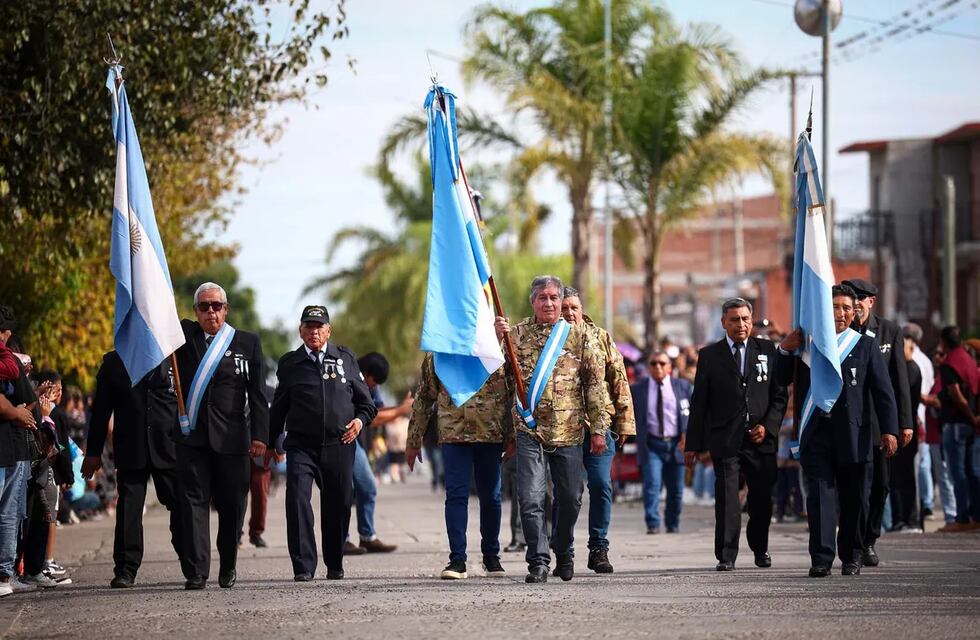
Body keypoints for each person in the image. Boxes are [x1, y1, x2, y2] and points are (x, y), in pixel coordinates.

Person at [777, 284, 899, 576]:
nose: (841, 313)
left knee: (855, 498)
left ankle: (852, 555)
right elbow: (781, 379)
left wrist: (890, 430)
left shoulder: (864, 345)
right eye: (834, 307)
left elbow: (883, 392)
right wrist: (783, 349)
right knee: (820, 497)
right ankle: (821, 559)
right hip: (817, 433)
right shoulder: (807, 346)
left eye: (847, 308)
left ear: (854, 312)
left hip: (854, 435)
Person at [494, 275, 609, 583]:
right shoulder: (516, 335)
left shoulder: (579, 336)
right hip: (529, 431)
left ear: (561, 301)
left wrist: (599, 429)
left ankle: (564, 550)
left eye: (554, 298)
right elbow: (499, 381)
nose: (548, 303)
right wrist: (497, 341)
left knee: (571, 498)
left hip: (569, 431)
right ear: (532, 302)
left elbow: (594, 386)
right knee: (531, 498)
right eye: (542, 298)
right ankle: (538, 561)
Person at [268, 305, 377, 581]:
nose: (314, 331)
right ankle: (303, 566)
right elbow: (278, 408)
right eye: (309, 326)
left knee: (338, 504)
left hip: (339, 444)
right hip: (301, 446)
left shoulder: (346, 359)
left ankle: (334, 561)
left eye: (319, 326)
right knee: (297, 500)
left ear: (328, 331)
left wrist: (360, 422)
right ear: (300, 331)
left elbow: (367, 405)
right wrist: (271, 443)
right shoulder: (290, 364)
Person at [172, 282, 269, 590]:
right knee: (193, 504)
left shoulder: (247, 342)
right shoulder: (182, 338)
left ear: (226, 309)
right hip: (192, 438)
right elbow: (160, 316)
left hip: (233, 439)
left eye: (216, 306)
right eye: (204, 307)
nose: (210, 312)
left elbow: (258, 394)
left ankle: (228, 564)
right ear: (195, 311)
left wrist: (260, 436)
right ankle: (197, 571)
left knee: (233, 506)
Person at [685, 297, 788, 571]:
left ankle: (760, 548)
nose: (740, 324)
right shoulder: (710, 356)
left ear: (751, 321)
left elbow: (779, 396)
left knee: (762, 499)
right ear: (723, 323)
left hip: (760, 440)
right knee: (728, 499)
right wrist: (693, 445)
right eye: (734, 320)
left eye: (745, 319)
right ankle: (726, 554)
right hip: (726, 440)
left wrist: (768, 426)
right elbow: (700, 403)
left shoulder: (768, 350)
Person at [83, 351, 190, 587]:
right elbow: (100, 411)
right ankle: (126, 569)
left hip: (170, 448)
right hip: (132, 448)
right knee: (129, 511)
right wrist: (93, 453)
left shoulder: (176, 354)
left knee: (182, 507)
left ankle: (192, 563)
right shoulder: (114, 362)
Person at [406, 353, 512, 580]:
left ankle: (491, 556)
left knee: (491, 497)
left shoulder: (497, 348)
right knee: (456, 495)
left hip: (490, 432)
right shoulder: (439, 353)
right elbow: (424, 397)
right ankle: (457, 559)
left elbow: (513, 392)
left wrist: (512, 435)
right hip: (454, 433)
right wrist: (414, 440)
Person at [560, 287, 635, 573]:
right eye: (564, 308)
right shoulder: (550, 340)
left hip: (600, 427)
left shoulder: (600, 337)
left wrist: (625, 421)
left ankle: (599, 548)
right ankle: (563, 551)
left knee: (602, 485)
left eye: (573, 307)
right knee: (568, 492)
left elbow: (619, 379)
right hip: (562, 430)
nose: (569, 313)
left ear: (582, 309)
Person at [841, 278, 913, 566]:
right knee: (857, 488)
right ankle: (856, 543)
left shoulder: (889, 331)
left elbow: (899, 380)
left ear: (871, 301)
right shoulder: (841, 330)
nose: (856, 303)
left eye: (861, 298)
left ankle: (870, 538)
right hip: (851, 422)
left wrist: (903, 422)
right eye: (852, 298)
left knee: (881, 485)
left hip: (880, 422)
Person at [345, 352, 403, 555]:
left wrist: (400, 408)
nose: (374, 387)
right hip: (342, 438)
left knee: (367, 487)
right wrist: (400, 411)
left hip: (357, 441)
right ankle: (342, 539)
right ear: (366, 374)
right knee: (345, 490)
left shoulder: (370, 385)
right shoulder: (349, 378)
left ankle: (367, 536)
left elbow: (376, 410)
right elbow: (374, 419)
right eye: (374, 382)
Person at [632, 351, 691, 535]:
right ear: (648, 367)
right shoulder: (638, 389)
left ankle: (672, 523)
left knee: (676, 489)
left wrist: (688, 436)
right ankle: (653, 523)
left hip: (676, 443)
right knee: (652, 485)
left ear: (669, 367)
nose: (658, 366)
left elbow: (692, 413)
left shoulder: (682, 386)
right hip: (651, 444)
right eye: (653, 363)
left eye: (662, 363)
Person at [935, 326, 979, 531]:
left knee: (958, 472)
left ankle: (962, 518)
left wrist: (971, 416)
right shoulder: (969, 360)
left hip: (956, 424)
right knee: (971, 471)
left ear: (944, 342)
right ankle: (975, 515)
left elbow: (957, 395)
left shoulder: (949, 363)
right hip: (969, 426)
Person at [887, 333, 923, 532]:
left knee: (905, 477)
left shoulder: (911, 369)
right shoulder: (904, 369)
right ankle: (900, 518)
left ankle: (909, 518)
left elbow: (902, 396)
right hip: (901, 428)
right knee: (897, 477)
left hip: (906, 430)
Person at [905, 323, 937, 520]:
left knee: (915, 465)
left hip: (915, 415)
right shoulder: (925, 360)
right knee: (924, 463)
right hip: (922, 415)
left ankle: (919, 506)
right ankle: (927, 502)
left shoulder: (912, 360)